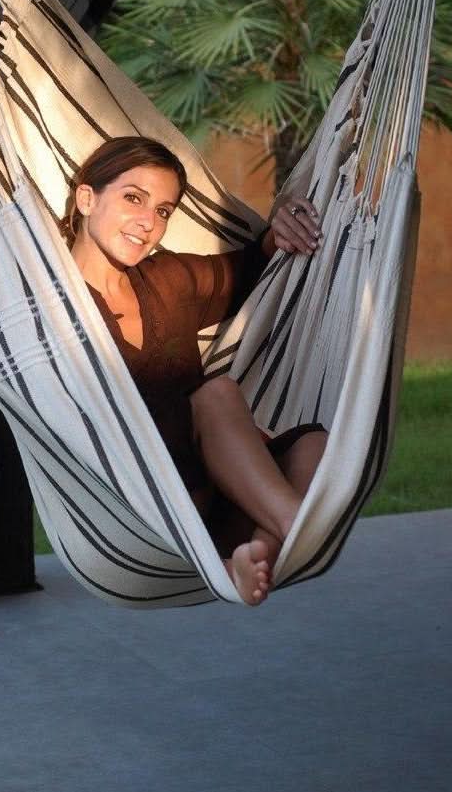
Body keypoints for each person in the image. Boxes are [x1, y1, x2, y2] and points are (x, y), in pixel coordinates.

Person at [63, 136, 328, 605]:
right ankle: (296, 529)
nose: (148, 222)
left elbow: (253, 265)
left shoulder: (168, 281)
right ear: (87, 198)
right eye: (133, 198)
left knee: (314, 445)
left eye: (163, 211)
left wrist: (283, 223)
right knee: (216, 394)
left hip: (223, 494)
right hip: (148, 514)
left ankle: (253, 556)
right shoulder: (50, 308)